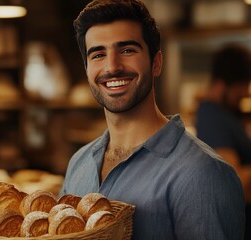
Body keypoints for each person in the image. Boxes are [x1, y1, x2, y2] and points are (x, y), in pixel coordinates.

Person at [60, 0, 245, 239]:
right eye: (98, 54)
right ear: (86, 69)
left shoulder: (202, 173)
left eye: (127, 50)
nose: (112, 66)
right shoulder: (78, 164)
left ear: (156, 63)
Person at [195, 43, 251, 240]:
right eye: (241, 87)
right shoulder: (212, 117)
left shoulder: (223, 113)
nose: (245, 93)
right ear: (221, 85)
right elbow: (235, 184)